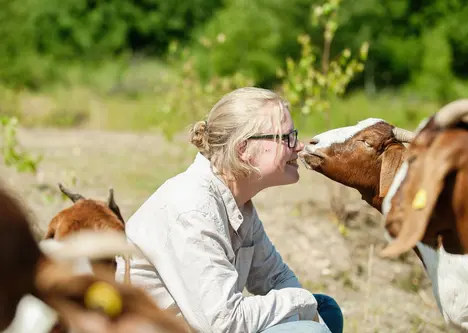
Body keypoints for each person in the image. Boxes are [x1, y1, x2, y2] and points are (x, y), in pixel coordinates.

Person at [116, 87, 343, 333]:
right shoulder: (192, 209)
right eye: (286, 137)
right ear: (243, 149)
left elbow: (276, 278)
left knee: (325, 309)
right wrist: (301, 302)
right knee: (310, 329)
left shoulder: (239, 202)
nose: (298, 146)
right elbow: (223, 323)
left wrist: (306, 306)